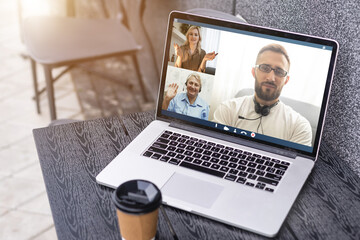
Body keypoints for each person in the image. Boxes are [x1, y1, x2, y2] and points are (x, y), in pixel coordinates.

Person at [213, 43, 312, 146]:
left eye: (279, 71)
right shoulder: (227, 109)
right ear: (253, 72)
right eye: (265, 68)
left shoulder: (299, 127)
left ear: (286, 80)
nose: (271, 78)